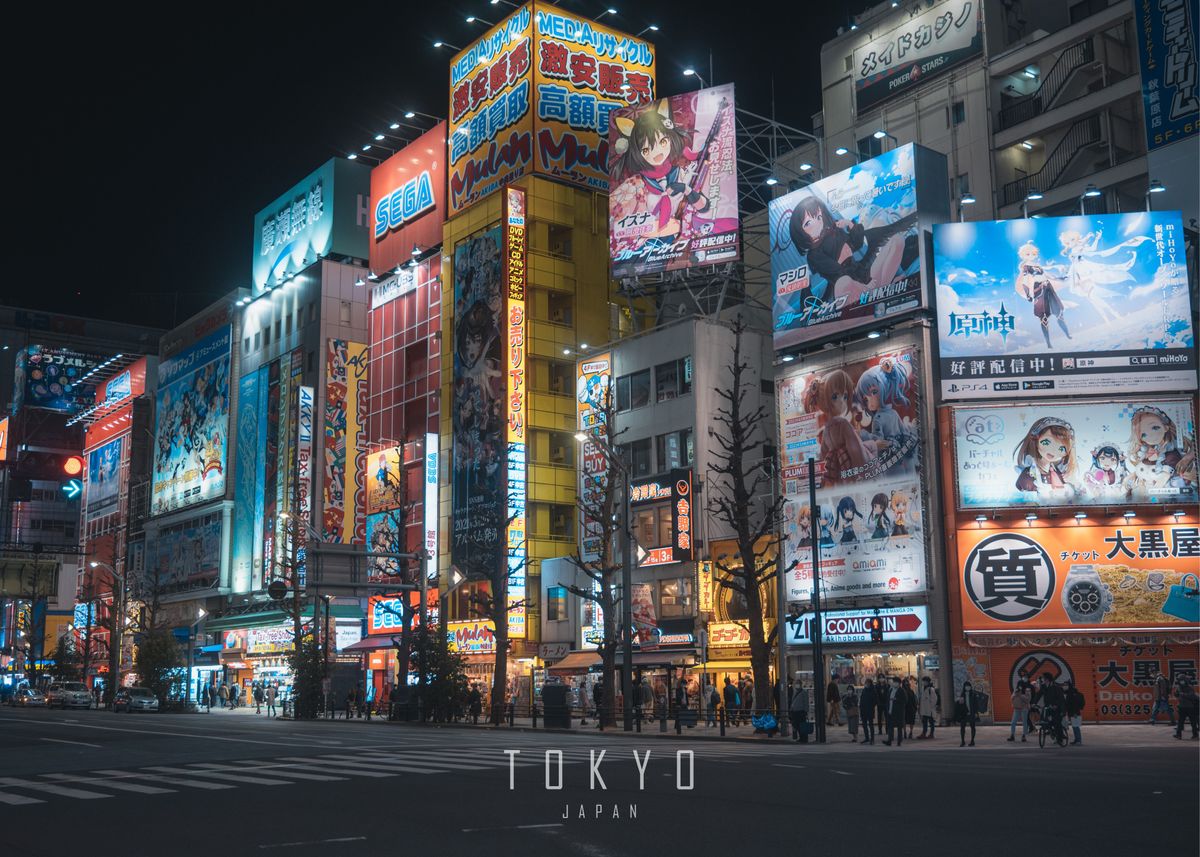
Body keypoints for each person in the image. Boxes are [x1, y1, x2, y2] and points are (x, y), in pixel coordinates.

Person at [955, 681, 981, 746]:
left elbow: (976, 704)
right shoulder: (962, 694)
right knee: (962, 727)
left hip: (972, 713)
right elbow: (959, 705)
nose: (967, 687)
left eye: (969, 686)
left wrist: (976, 712)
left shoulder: (973, 694)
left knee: (972, 727)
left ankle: (972, 741)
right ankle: (962, 741)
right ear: (964, 687)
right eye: (966, 686)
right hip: (964, 714)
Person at [883, 677, 905, 746]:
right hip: (890, 711)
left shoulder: (901, 691)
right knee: (890, 726)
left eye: (895, 682)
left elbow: (905, 700)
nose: (893, 683)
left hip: (898, 712)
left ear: (899, 683)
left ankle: (899, 741)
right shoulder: (891, 690)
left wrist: (896, 699)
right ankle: (890, 740)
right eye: (893, 682)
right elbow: (887, 700)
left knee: (899, 727)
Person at [1064, 679, 1086, 745]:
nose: (1064, 686)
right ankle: (1076, 739)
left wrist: (1075, 712)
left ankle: (1078, 740)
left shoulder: (1071, 694)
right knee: (1074, 726)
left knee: (1076, 726)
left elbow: (1073, 704)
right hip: (1073, 712)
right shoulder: (1071, 693)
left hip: (1075, 712)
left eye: (1066, 685)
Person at [858, 679, 877, 745]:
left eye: (867, 683)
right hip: (863, 710)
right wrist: (861, 708)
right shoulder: (864, 690)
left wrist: (870, 706)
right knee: (864, 725)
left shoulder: (873, 690)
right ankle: (867, 738)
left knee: (871, 725)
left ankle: (872, 739)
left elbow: (875, 701)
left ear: (870, 683)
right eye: (866, 683)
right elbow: (862, 699)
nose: (866, 684)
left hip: (870, 710)